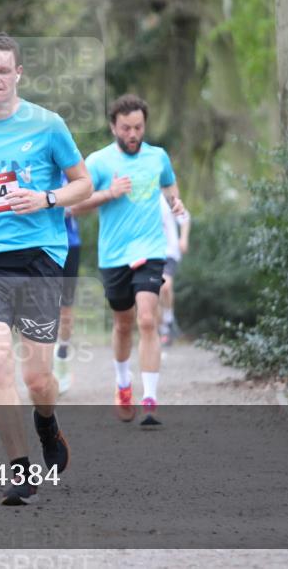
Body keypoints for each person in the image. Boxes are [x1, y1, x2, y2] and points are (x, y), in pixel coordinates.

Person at [0, 32, 92, 505]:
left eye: (3, 70)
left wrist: (46, 198)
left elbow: (83, 185)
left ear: (18, 73)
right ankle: (19, 468)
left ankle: (46, 422)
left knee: (37, 379)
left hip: (39, 259)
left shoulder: (48, 126)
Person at [71, 94, 184, 428]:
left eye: (138, 127)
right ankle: (123, 385)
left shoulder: (158, 156)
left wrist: (176, 203)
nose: (133, 134)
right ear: (113, 127)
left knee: (147, 318)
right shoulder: (99, 162)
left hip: (151, 249)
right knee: (123, 323)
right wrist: (109, 193)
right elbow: (74, 204)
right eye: (126, 128)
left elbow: (170, 186)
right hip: (114, 254)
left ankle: (150, 399)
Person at [54, 173, 83, 394]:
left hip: (69, 245)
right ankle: (43, 365)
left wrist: (69, 204)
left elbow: (84, 196)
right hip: (37, 244)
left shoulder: (69, 171)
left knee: (65, 309)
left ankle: (61, 359)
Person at [158, 195, 191, 346]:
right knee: (152, 292)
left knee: (165, 285)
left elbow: (184, 217)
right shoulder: (139, 197)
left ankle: (168, 321)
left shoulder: (166, 197)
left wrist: (183, 238)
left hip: (169, 251)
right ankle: (160, 328)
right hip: (147, 252)